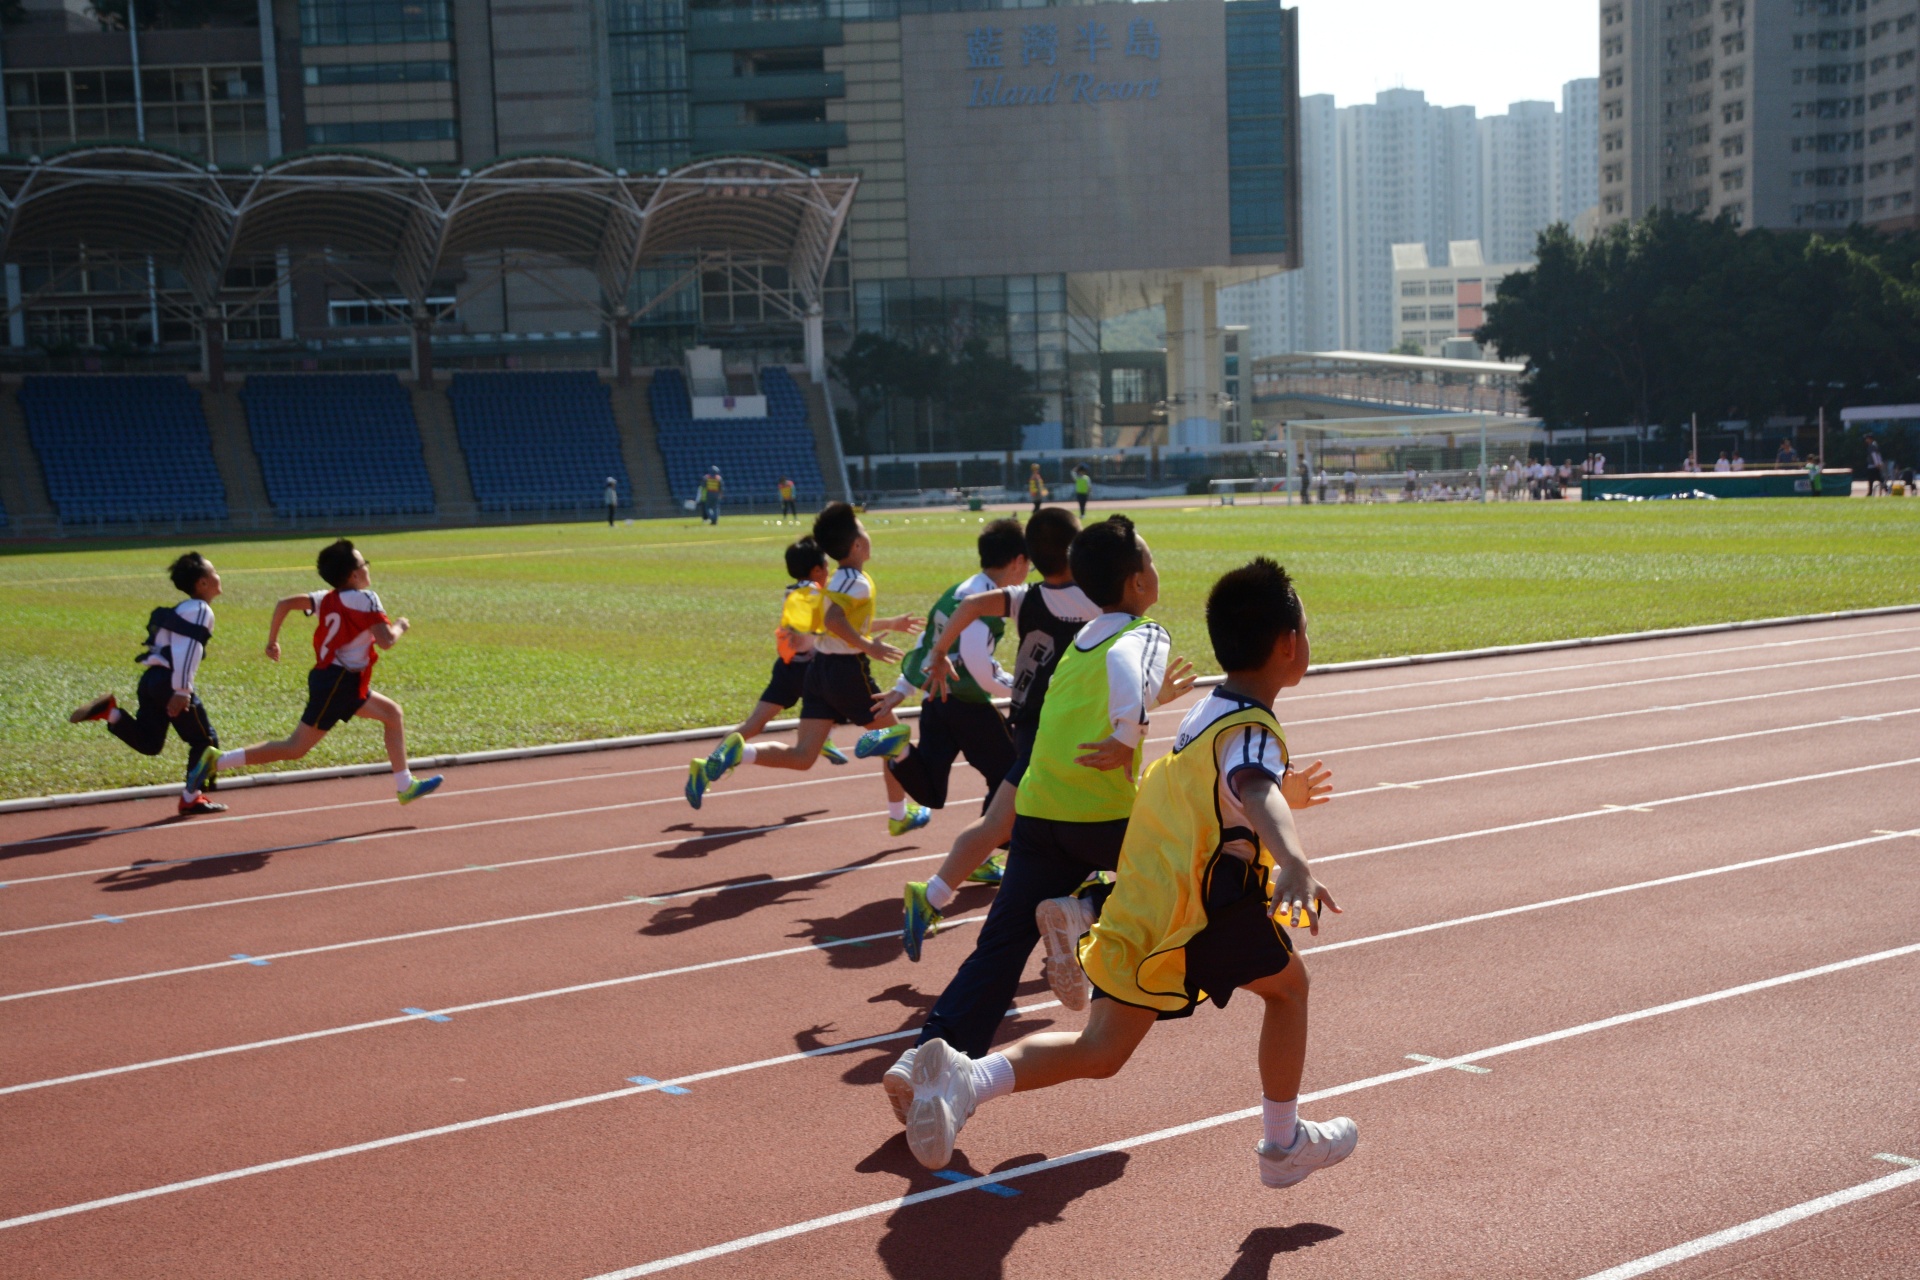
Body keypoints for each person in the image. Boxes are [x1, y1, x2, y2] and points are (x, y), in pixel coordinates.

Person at [891, 557, 1356, 1190]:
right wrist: (1294, 859)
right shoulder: (1254, 730)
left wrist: (1280, 794)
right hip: (1206, 910)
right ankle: (1283, 1145)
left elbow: (1234, 789)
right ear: (1288, 645)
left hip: (1150, 903)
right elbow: (1251, 786)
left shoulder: (1210, 711)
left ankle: (966, 1079)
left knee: (1101, 1050)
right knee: (1290, 989)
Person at [883, 514, 1195, 1092]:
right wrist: (1129, 730)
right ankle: (1086, 911)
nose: (1156, 570)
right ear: (1137, 581)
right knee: (1188, 873)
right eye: (1150, 561)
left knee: (998, 947)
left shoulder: (1083, 638)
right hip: (1101, 814)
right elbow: (1125, 670)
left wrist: (1148, 701)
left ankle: (925, 1056)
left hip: (1038, 810)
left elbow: (1087, 697)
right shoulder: (1147, 632)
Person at [893, 508, 1099, 961]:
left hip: (1030, 724)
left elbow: (968, 607)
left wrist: (939, 653)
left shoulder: (1024, 596)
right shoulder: (1092, 601)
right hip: (1060, 730)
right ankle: (1084, 901)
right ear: (1075, 553)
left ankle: (931, 897)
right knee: (1061, 817)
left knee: (1002, 822)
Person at [692, 502, 931, 835]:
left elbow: (833, 622)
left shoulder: (836, 581)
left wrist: (890, 623)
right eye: (864, 530)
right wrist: (869, 647)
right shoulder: (856, 582)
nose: (868, 535)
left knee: (803, 756)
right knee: (895, 739)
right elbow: (834, 621)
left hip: (819, 672)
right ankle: (898, 815)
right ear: (857, 545)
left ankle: (739, 753)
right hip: (847, 673)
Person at [190, 539, 442, 805]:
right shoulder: (367, 599)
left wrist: (272, 641)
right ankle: (217, 760)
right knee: (295, 747)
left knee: (392, 714)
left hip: (337, 680)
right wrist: (401, 625)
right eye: (364, 563)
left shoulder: (326, 598)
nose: (368, 567)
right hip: (339, 683)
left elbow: (284, 603)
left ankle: (405, 785)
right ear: (354, 574)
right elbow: (386, 641)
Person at [859, 518, 1026, 826]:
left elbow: (928, 643)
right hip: (968, 704)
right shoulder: (983, 603)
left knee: (931, 790)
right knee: (1012, 772)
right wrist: (1024, 690)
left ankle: (900, 750)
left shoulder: (958, 591)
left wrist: (904, 687)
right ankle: (988, 841)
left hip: (936, 699)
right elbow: (978, 667)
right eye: (1030, 565)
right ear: (1018, 562)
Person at [68, 551, 228, 817]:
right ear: (202, 583)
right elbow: (188, 651)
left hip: (151, 680)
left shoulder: (182, 609)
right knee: (205, 740)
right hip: (170, 683)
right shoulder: (200, 610)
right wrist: (182, 690)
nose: (218, 576)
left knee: (150, 742)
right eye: (214, 572)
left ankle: (111, 713)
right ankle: (192, 798)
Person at [705, 538, 849, 770]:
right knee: (848, 698)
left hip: (787, 666)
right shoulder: (812, 593)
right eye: (827, 566)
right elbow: (824, 626)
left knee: (754, 723)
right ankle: (823, 739)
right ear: (817, 570)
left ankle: (710, 763)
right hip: (811, 670)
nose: (829, 571)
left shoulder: (792, 590)